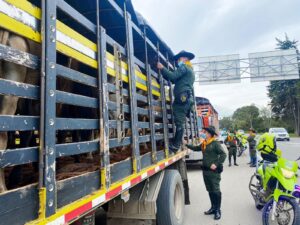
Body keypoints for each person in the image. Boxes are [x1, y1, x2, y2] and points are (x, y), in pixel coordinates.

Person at [157, 50, 195, 153]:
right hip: (185, 99)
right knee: (180, 122)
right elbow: (174, 80)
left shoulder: (184, 67)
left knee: (179, 123)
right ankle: (175, 143)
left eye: (179, 59)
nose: (178, 61)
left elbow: (173, 76)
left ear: (185, 59)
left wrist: (162, 68)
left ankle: (175, 145)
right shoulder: (189, 70)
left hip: (182, 100)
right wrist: (164, 72)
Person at [186, 126, 226, 220]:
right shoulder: (204, 143)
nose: (205, 134)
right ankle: (212, 208)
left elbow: (223, 154)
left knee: (215, 190)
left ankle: (217, 210)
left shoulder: (215, 143)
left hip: (214, 172)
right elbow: (196, 148)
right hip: (206, 171)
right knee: (210, 189)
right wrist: (187, 145)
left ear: (210, 134)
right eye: (205, 132)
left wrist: (216, 164)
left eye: (207, 132)